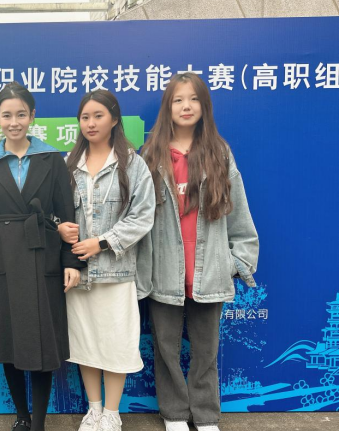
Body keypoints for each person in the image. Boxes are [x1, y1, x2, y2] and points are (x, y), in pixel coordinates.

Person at [139, 73, 259, 431]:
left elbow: (239, 213)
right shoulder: (152, 155)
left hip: (209, 271)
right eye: (178, 100)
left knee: (206, 351)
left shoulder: (219, 153)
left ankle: (205, 416)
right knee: (166, 348)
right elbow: (139, 218)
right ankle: (174, 414)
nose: (186, 106)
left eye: (193, 99)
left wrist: (237, 261)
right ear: (168, 107)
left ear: (204, 106)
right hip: (164, 271)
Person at [0, 81, 84, 431]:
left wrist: (71, 261)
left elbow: (66, 212)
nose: (13, 122)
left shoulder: (51, 159)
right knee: (9, 341)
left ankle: (39, 423)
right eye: (6, 115)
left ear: (32, 116)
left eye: (20, 114)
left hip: (43, 257)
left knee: (43, 343)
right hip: (2, 262)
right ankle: (21, 415)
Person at [57, 90, 155, 431]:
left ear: (114, 119)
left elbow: (143, 216)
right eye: (85, 117)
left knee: (116, 343)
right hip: (79, 274)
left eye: (98, 115)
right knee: (85, 342)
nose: (91, 123)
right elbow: (57, 213)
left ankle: (112, 413)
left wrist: (101, 242)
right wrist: (60, 228)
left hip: (117, 271)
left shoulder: (132, 164)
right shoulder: (69, 165)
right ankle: (94, 409)